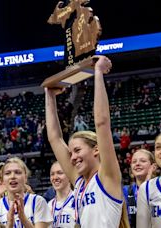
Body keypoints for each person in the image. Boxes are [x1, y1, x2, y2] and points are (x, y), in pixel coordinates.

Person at [45, 55, 128, 227]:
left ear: (96, 150)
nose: (72, 157)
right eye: (71, 153)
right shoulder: (80, 182)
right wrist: (50, 96)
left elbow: (102, 123)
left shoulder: (107, 176)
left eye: (77, 150)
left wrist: (98, 72)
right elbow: (54, 138)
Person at [0, 157, 52, 227]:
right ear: (3, 180)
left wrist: (23, 218)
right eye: (8, 173)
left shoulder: (38, 201)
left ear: (25, 177)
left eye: (17, 172)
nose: (12, 176)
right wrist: (10, 224)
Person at [123, 149, 156, 228]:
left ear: (153, 167)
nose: (137, 164)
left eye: (143, 161)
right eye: (134, 162)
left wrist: (146, 186)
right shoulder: (124, 191)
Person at [47, 161, 75, 227]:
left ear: (69, 176)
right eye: (52, 174)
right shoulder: (49, 206)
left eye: (60, 173)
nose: (55, 177)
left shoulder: (77, 200)